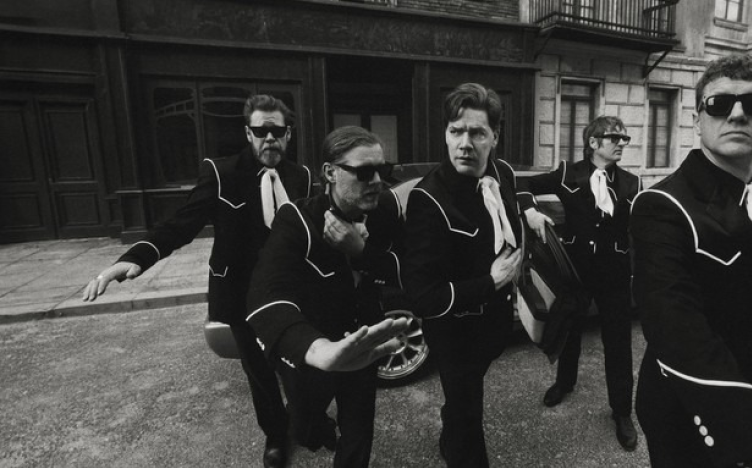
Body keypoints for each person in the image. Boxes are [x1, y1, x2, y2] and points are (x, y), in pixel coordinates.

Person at [81, 94, 320, 468]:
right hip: (241, 293)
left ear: (288, 134)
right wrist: (135, 258)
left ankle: (305, 421)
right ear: (248, 133)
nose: (269, 138)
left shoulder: (302, 176)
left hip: (290, 291)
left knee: (297, 362)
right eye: (261, 131)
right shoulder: (221, 173)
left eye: (277, 131)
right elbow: (182, 223)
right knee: (259, 371)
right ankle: (276, 435)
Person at [630, 53, 752, 467]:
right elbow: (678, 335)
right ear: (697, 120)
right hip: (696, 410)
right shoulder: (661, 205)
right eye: (718, 104)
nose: (736, 114)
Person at [246, 126, 409, 468]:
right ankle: (314, 427)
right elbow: (266, 294)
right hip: (314, 350)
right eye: (364, 172)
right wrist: (319, 351)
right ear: (330, 172)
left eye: (383, 169)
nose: (377, 181)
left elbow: (408, 270)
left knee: (359, 431)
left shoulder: (385, 211)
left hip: (362, 340)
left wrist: (361, 251)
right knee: (304, 428)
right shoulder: (297, 219)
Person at [404, 83, 523, 467]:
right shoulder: (428, 199)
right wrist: (491, 282)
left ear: (495, 137)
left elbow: (514, 202)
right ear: (445, 134)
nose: (465, 144)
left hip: (495, 326)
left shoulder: (502, 172)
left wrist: (531, 214)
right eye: (456, 131)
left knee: (462, 406)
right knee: (469, 421)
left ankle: (452, 421)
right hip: (454, 335)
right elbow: (423, 296)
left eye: (477, 133)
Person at [517, 115, 641, 451]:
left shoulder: (633, 183)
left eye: (624, 138)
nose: (621, 143)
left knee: (618, 343)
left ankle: (621, 412)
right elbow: (521, 185)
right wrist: (530, 211)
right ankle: (564, 383)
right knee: (570, 330)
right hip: (575, 270)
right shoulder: (566, 174)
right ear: (593, 142)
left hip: (615, 275)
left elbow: (641, 228)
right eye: (614, 137)